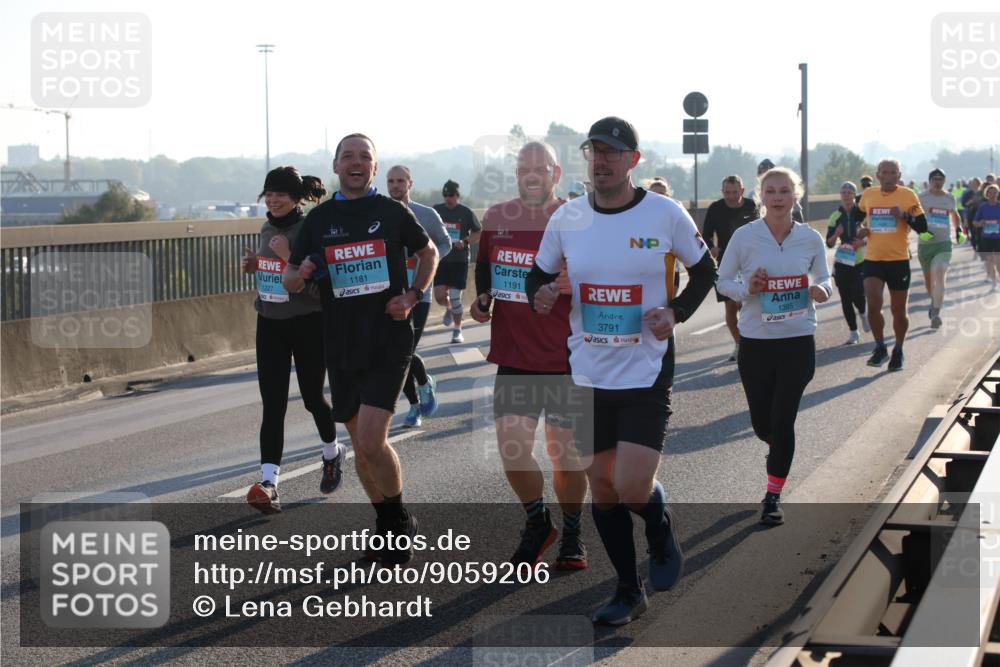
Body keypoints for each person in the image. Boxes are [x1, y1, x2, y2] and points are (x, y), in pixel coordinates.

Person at [527, 116, 718, 626]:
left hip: (645, 372)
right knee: (604, 490)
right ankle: (627, 590)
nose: (602, 161)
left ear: (633, 161)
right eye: (595, 152)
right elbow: (537, 277)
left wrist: (675, 313)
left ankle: (659, 526)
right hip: (587, 375)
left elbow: (705, 272)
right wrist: (540, 295)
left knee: (633, 487)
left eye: (613, 153)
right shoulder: (567, 218)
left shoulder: (665, 213)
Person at [283, 134, 438, 565]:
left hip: (389, 339)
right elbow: (291, 280)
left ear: (374, 167)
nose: (356, 162)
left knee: (372, 441)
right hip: (341, 342)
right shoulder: (319, 220)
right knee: (360, 444)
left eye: (364, 156)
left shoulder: (392, 211)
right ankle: (389, 525)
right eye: (348, 156)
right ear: (335, 166)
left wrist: (411, 296)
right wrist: (304, 269)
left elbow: (428, 253)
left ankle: (398, 521)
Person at [470, 141, 589, 570]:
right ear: (516, 173)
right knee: (513, 449)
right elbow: (485, 266)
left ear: (556, 174)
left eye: (541, 168)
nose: (532, 174)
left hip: (568, 359)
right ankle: (539, 522)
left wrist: (574, 284)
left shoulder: (578, 219)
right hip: (515, 355)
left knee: (567, 456)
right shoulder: (498, 217)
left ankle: (573, 533)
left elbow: (601, 278)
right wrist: (483, 298)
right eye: (524, 168)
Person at [719, 167, 831, 524]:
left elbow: (826, 277)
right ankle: (776, 447)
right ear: (761, 196)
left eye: (785, 190)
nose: (778, 197)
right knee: (761, 424)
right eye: (771, 191)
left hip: (798, 342)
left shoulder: (810, 239)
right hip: (756, 344)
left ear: (795, 195)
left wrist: (823, 290)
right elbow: (722, 280)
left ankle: (772, 495)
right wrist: (746, 289)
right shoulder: (744, 236)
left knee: (783, 422)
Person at [242, 166, 344, 514]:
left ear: (296, 197)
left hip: (308, 324)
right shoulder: (266, 227)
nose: (273, 200)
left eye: (280, 195)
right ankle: (269, 484)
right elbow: (273, 272)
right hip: (269, 323)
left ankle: (332, 452)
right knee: (273, 405)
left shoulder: (309, 229)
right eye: (268, 194)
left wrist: (288, 256)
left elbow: (321, 288)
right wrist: (256, 263)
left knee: (314, 399)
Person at [386, 165, 451, 427]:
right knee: (394, 353)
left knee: (405, 349)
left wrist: (428, 260)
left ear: (410, 184)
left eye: (400, 181)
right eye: (390, 181)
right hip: (389, 294)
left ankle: (423, 386)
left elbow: (445, 244)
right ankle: (415, 402)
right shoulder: (380, 213)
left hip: (419, 293)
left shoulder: (426, 214)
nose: (395, 185)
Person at [856, 158, 928, 371]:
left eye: (892, 172)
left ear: (898, 175)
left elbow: (923, 227)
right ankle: (880, 347)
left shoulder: (907, 195)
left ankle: (898, 349)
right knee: (873, 300)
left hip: (898, 260)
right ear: (877, 175)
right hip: (873, 258)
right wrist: (862, 229)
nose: (888, 176)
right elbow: (861, 218)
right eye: (884, 172)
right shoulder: (869, 195)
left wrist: (904, 215)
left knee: (898, 310)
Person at [702, 175, 759, 359]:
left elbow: (762, 231)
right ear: (722, 192)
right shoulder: (715, 208)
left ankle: (755, 342)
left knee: (749, 305)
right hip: (727, 264)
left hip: (750, 263)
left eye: (735, 192)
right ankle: (739, 344)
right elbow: (706, 235)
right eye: (727, 192)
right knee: (731, 306)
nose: (731, 196)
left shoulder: (752, 206)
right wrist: (712, 248)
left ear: (742, 190)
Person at [433, 180, 482, 344]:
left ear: (458, 195)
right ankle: (448, 308)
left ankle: (457, 329)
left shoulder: (466, 212)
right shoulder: (436, 210)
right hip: (441, 258)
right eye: (445, 195)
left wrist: (466, 241)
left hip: (459, 259)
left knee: (455, 296)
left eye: (451, 195)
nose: (448, 198)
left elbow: (478, 232)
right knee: (440, 296)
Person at [918, 168, 963, 328]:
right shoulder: (921, 197)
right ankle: (933, 301)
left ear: (943, 181)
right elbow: (913, 216)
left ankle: (936, 313)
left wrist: (958, 230)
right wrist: (920, 231)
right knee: (929, 281)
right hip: (925, 245)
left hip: (943, 243)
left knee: (940, 271)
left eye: (940, 179)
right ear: (929, 181)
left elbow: (955, 214)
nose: (937, 182)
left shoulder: (949, 197)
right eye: (934, 179)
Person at [826, 181, 868, 343]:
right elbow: (829, 243)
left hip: (860, 260)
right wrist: (836, 234)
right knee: (845, 297)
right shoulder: (835, 216)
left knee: (857, 293)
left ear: (854, 195)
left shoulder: (863, 213)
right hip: (843, 260)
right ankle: (853, 332)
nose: (846, 195)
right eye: (843, 192)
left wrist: (862, 242)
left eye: (850, 192)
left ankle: (863, 313)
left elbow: (874, 233)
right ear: (840, 196)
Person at [973, 183, 1000, 291]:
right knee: (989, 260)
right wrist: (981, 223)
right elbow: (975, 222)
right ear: (986, 194)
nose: (992, 195)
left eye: (995, 192)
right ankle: (994, 282)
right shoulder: (983, 207)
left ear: (997, 194)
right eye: (990, 193)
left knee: (998, 261)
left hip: (998, 237)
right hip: (986, 237)